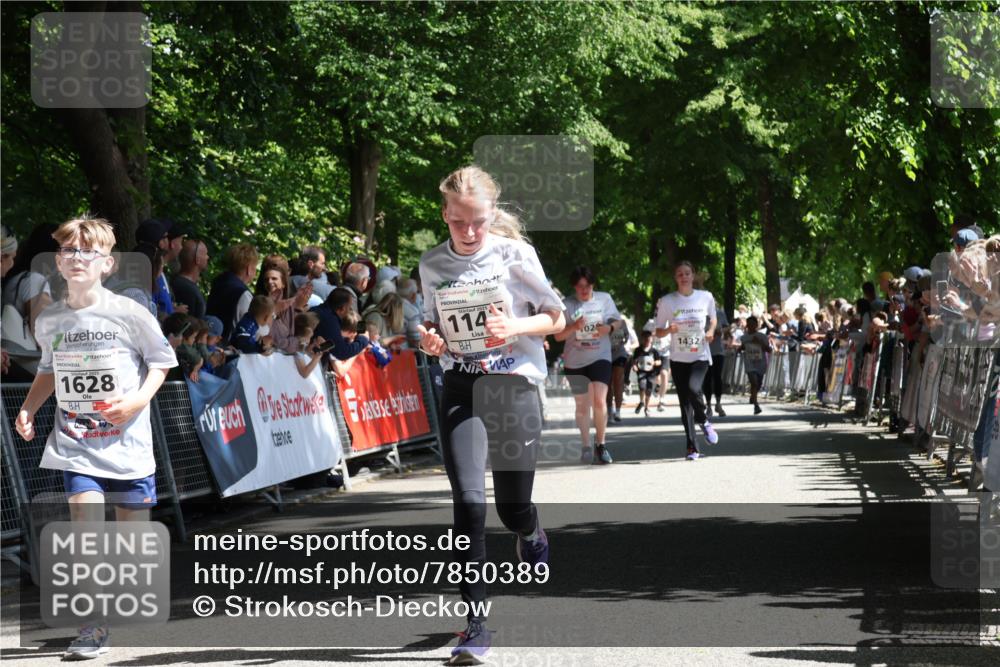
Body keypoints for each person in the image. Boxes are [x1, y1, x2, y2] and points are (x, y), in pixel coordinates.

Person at [417, 165, 565, 664]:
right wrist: (432, 339)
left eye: (478, 221)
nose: (470, 232)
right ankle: (475, 627)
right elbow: (433, 327)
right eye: (459, 223)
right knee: (469, 503)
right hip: (461, 385)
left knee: (510, 506)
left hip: (513, 385)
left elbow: (557, 319)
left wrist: (515, 326)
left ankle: (530, 530)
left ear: (490, 215)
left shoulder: (515, 254)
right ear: (445, 216)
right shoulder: (432, 264)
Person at [14, 216, 177, 660]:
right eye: (68, 251)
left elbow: (162, 362)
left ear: (107, 263)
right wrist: (28, 408)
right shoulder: (50, 319)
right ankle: (91, 627)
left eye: (88, 252)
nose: (76, 258)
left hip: (128, 448)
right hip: (75, 444)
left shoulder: (130, 312)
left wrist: (135, 403)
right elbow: (50, 369)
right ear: (58, 262)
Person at [554, 266, 622, 464]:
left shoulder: (604, 299)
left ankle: (601, 445)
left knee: (600, 401)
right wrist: (574, 327)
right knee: (582, 405)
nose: (584, 290)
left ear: (593, 284)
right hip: (575, 360)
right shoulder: (567, 305)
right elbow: (558, 336)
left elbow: (618, 322)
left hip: (600, 355)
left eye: (588, 286)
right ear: (575, 287)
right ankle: (586, 445)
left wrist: (608, 328)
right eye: (580, 286)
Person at [654, 261, 720, 460]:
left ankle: (704, 421)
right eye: (680, 274)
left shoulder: (705, 297)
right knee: (685, 405)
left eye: (687, 273)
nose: (684, 277)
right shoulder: (667, 301)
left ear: (693, 276)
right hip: (678, 357)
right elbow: (658, 331)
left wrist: (710, 331)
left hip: (699, 355)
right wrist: (668, 330)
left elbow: (714, 319)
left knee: (694, 388)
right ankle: (692, 446)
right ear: (676, 278)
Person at [255, 255, 312, 354]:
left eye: (274, 279)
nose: (270, 282)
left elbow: (293, 340)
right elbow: (273, 339)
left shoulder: (288, 305)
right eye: (266, 279)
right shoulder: (259, 304)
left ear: (284, 282)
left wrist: (298, 308)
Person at [205, 243, 258, 342]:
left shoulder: (218, 282)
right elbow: (248, 329)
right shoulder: (243, 294)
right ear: (249, 269)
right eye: (254, 268)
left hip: (208, 338)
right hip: (227, 347)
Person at [310, 286, 370, 361]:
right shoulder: (330, 321)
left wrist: (361, 329)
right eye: (349, 308)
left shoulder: (321, 309)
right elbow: (342, 352)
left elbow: (358, 320)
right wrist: (363, 339)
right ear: (342, 309)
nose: (350, 310)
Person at [170, 239, 209, 318]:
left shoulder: (180, 282)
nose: (208, 257)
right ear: (197, 260)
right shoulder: (186, 289)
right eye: (205, 254)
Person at [740, 316, 771, 414]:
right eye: (749, 325)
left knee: (759, 383)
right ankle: (756, 405)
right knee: (754, 382)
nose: (751, 327)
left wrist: (760, 342)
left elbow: (769, 349)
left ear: (756, 325)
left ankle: (753, 395)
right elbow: (741, 348)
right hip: (749, 363)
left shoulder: (762, 336)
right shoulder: (744, 337)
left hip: (760, 363)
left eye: (753, 324)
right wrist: (742, 347)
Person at [702, 305, 729, 418]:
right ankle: (708, 405)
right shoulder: (701, 314)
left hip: (718, 351)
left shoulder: (720, 313)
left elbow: (727, 327)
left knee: (717, 377)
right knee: (707, 378)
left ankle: (718, 403)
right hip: (705, 352)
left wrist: (721, 331)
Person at [631, 330, 662, 416]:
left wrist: (654, 363)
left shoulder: (654, 351)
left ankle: (646, 407)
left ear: (651, 339)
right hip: (641, 372)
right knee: (642, 386)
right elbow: (634, 360)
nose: (647, 340)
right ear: (642, 339)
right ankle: (641, 402)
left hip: (651, 373)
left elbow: (659, 361)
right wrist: (634, 366)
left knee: (648, 390)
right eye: (645, 338)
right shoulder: (638, 350)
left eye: (648, 338)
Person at [606, 317, 631, 423]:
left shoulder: (621, 322)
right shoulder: (602, 321)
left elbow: (626, 337)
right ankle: (610, 410)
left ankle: (618, 411)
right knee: (608, 384)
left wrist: (619, 343)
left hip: (619, 354)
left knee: (618, 382)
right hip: (605, 354)